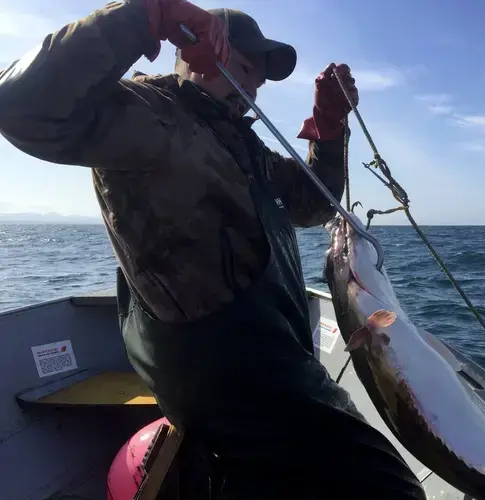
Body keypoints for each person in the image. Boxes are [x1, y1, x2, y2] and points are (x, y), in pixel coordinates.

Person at [0, 1, 426, 498]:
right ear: (194, 53)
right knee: (388, 487)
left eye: (260, 82)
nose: (252, 88)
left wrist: (329, 131)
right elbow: (19, 106)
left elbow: (312, 205)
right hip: (217, 369)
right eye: (244, 68)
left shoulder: (239, 142)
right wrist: (146, 17)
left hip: (270, 357)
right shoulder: (150, 112)